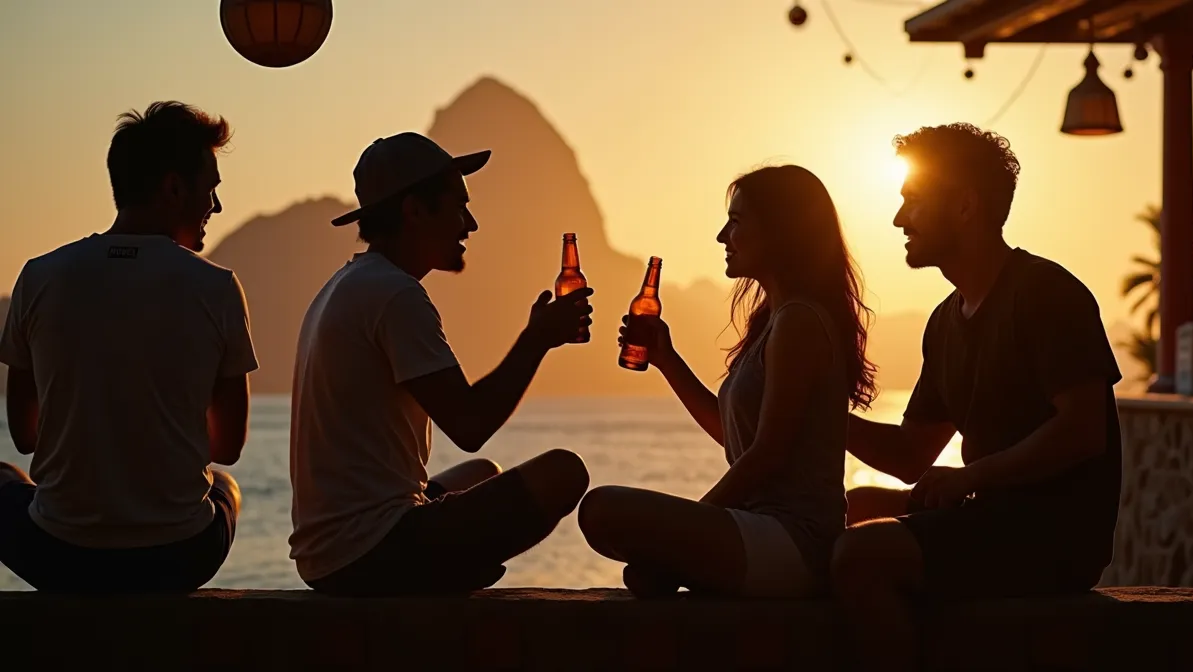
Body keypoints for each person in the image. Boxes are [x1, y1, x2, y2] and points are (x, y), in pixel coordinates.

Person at [830, 123, 1123, 669]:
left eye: (912, 202)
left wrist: (970, 478)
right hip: (989, 521)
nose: (898, 219)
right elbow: (911, 456)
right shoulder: (944, 323)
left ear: (965, 206)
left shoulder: (1046, 294)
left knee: (860, 555)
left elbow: (1083, 431)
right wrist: (824, 414)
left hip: (1051, 538)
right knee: (848, 510)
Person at [288, 132, 593, 596]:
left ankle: (452, 565)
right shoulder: (395, 294)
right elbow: (470, 425)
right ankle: (442, 575)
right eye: (457, 206)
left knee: (483, 474)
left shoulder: (348, 283)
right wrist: (537, 341)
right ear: (414, 211)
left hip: (324, 552)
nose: (469, 224)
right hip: (368, 553)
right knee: (565, 473)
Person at [578, 165, 877, 598]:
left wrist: (691, 523)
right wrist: (667, 360)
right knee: (609, 524)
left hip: (793, 541)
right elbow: (734, 436)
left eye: (736, 222)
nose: (722, 236)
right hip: (761, 531)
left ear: (778, 231)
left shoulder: (799, 321)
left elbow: (769, 453)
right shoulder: (774, 321)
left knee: (602, 509)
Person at [0, 101, 256, 593]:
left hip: (57, 556)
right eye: (211, 190)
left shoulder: (40, 277)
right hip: (178, 559)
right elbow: (227, 446)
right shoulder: (218, 289)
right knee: (226, 487)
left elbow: (24, 435)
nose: (216, 207)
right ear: (173, 188)